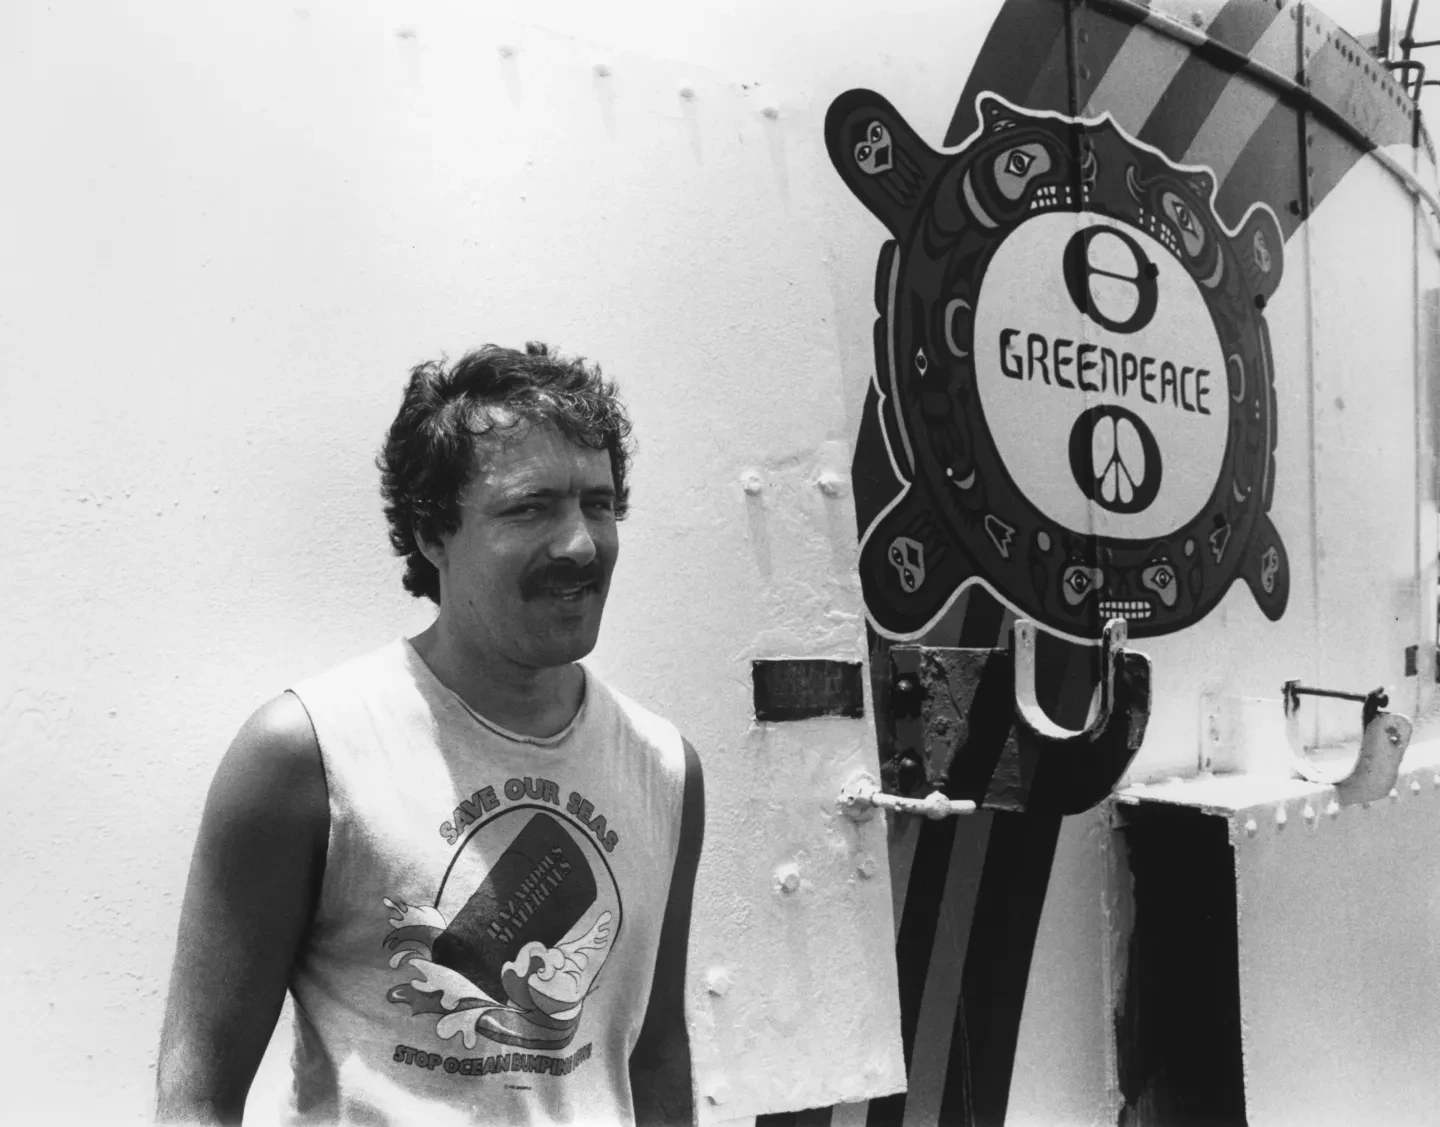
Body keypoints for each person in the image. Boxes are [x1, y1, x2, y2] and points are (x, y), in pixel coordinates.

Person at [156, 342, 704, 1126]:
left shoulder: (664, 765)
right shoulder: (306, 755)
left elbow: (652, 1053)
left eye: (599, 503)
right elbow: (196, 1095)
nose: (581, 542)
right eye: (530, 506)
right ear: (432, 534)